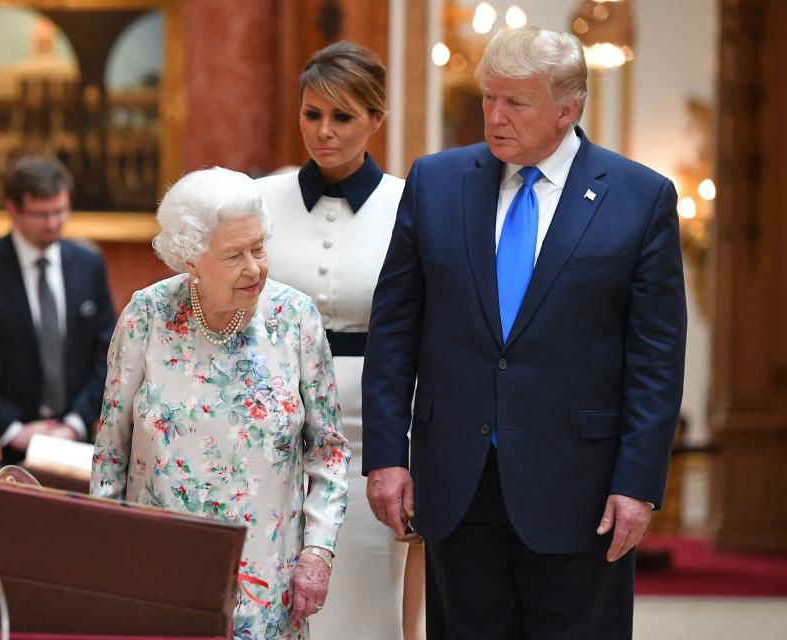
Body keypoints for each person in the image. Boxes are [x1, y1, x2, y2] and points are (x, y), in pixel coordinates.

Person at [362, 25, 686, 639]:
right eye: (488, 98)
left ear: (568, 109)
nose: (494, 116)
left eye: (516, 102)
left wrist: (638, 486)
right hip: (457, 482)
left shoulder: (640, 199)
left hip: (581, 491)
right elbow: (395, 329)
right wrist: (386, 456)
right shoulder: (435, 183)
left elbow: (657, 360)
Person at [90, 167, 350, 639]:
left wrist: (317, 553)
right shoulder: (146, 317)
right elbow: (111, 453)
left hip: (268, 583)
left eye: (259, 248)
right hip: (159, 576)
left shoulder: (294, 319)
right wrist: (107, 562)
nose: (254, 268)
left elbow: (329, 452)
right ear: (190, 260)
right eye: (233, 255)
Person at [257, 41, 414, 640]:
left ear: (376, 119)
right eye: (312, 114)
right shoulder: (260, 198)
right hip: (270, 421)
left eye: (343, 117)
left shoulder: (410, 203)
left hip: (371, 429)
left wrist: (410, 450)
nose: (324, 132)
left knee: (364, 602)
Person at [0, 156, 115, 462]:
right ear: (12, 210)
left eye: (60, 211)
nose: (53, 223)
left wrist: (74, 423)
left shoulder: (88, 264)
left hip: (75, 444)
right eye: (41, 214)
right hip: (3, 448)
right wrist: (14, 429)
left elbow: (109, 354)